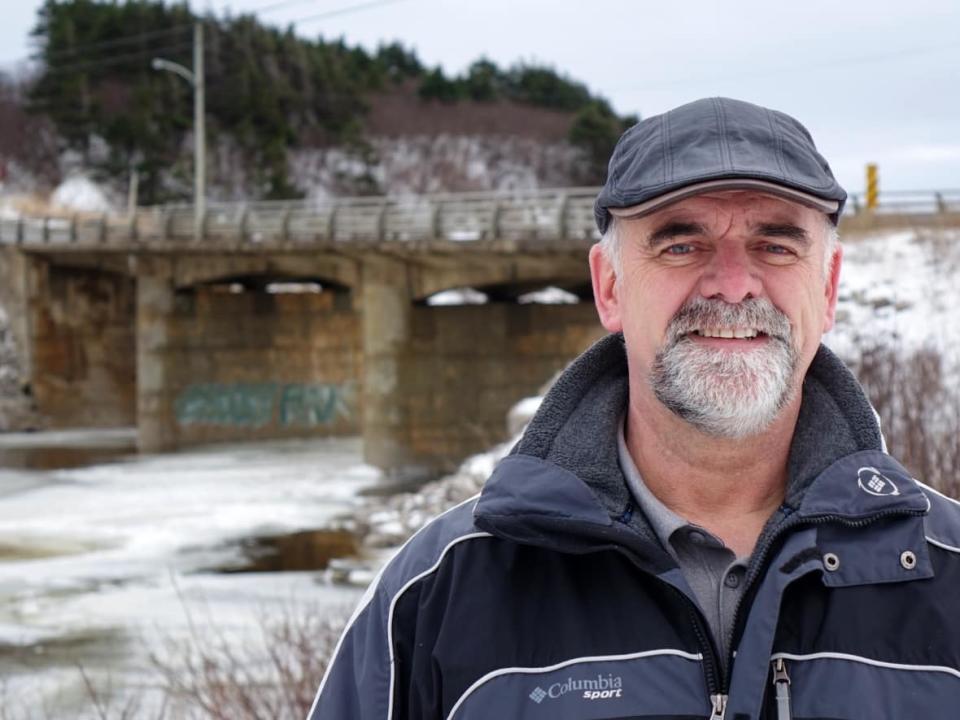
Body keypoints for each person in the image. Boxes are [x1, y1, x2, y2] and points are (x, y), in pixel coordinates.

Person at [308, 98, 960, 719]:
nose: (733, 285)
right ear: (609, 286)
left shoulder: (946, 577)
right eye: (681, 244)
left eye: (776, 244)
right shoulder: (438, 596)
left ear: (828, 286)